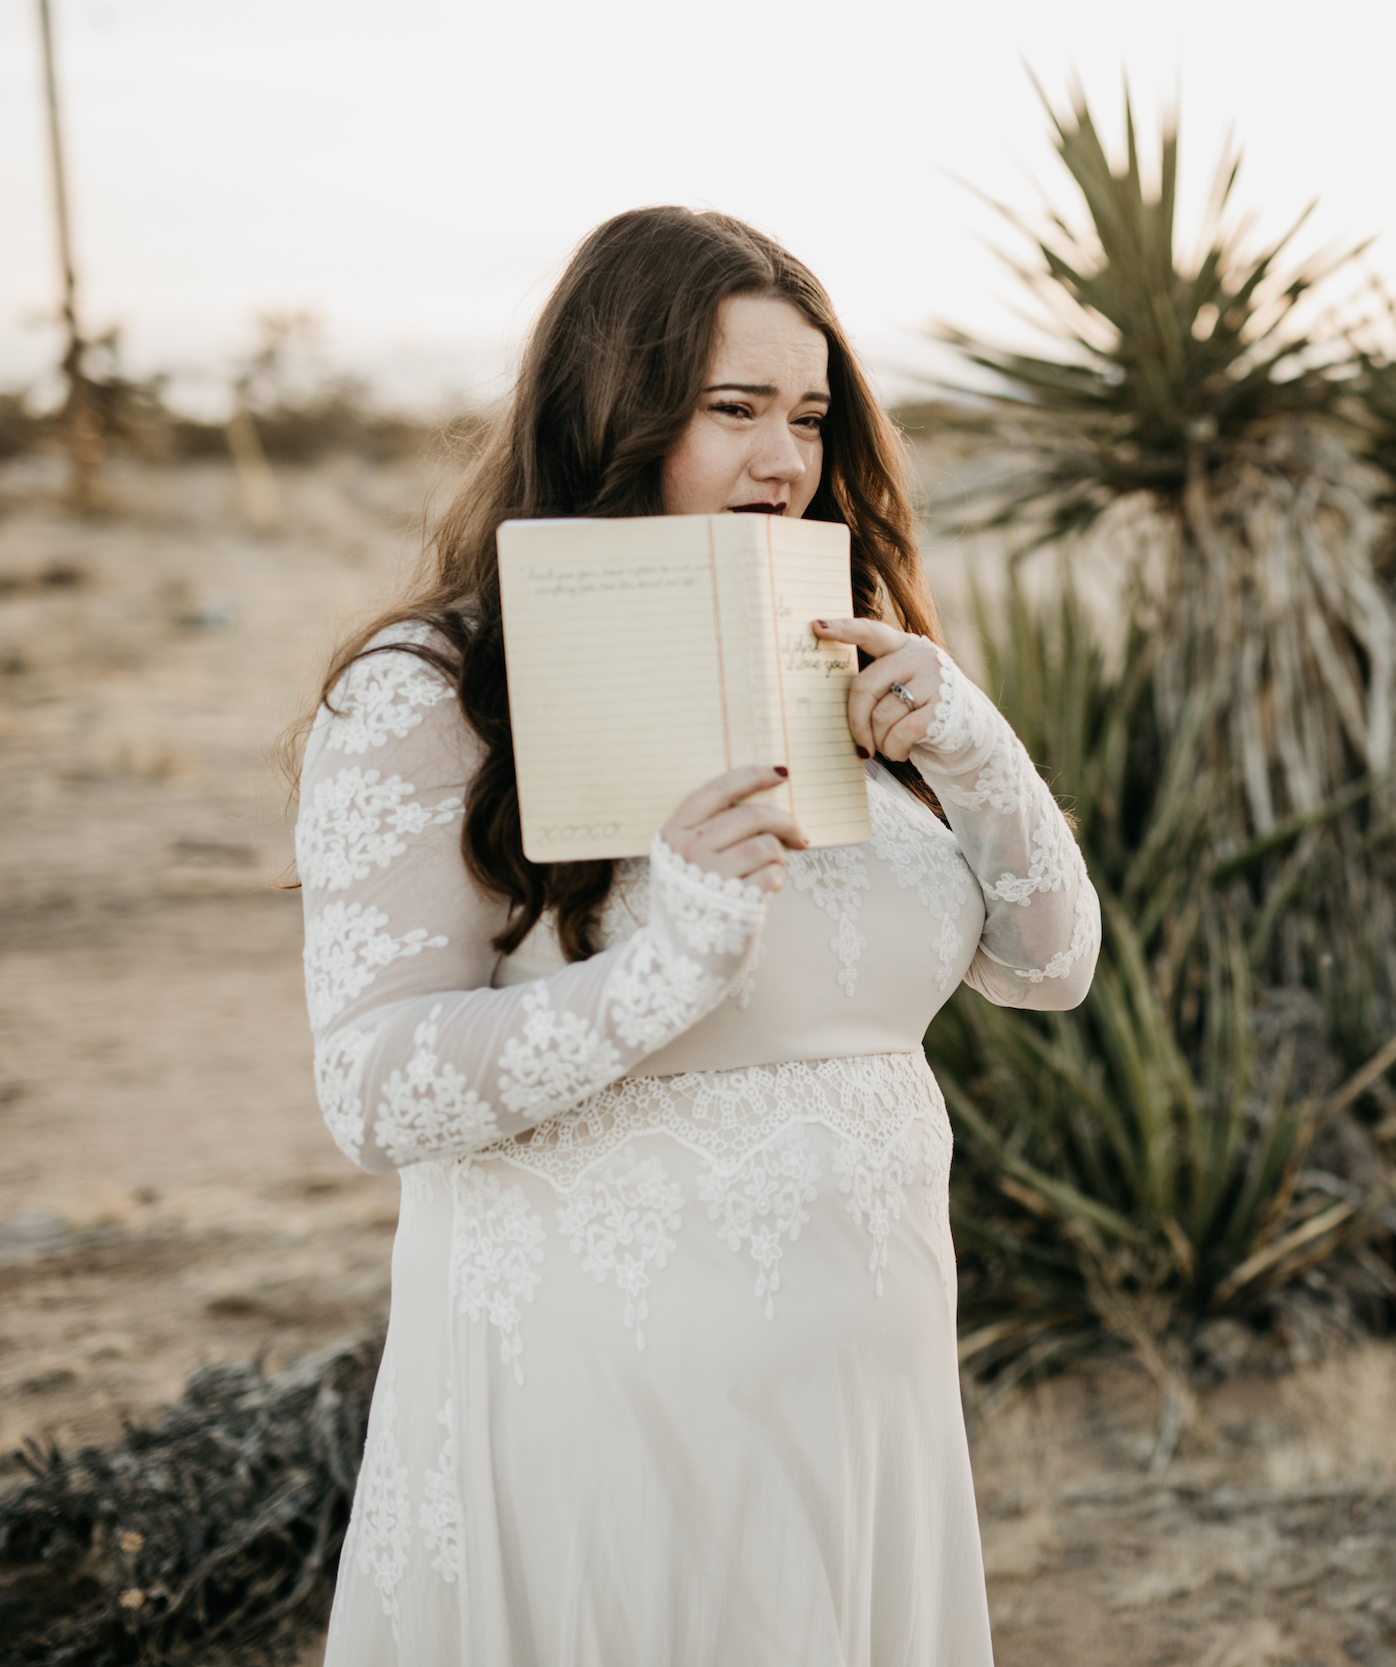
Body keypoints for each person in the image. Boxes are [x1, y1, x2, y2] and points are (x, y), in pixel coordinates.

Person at [292, 206, 1098, 1663]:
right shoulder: (439, 686)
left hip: (869, 1408)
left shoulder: (834, 648)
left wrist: (973, 749)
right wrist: (669, 966)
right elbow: (374, 1090)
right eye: (733, 413)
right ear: (614, 406)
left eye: (807, 415)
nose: (785, 463)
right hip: (603, 1408)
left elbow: (1052, 970)